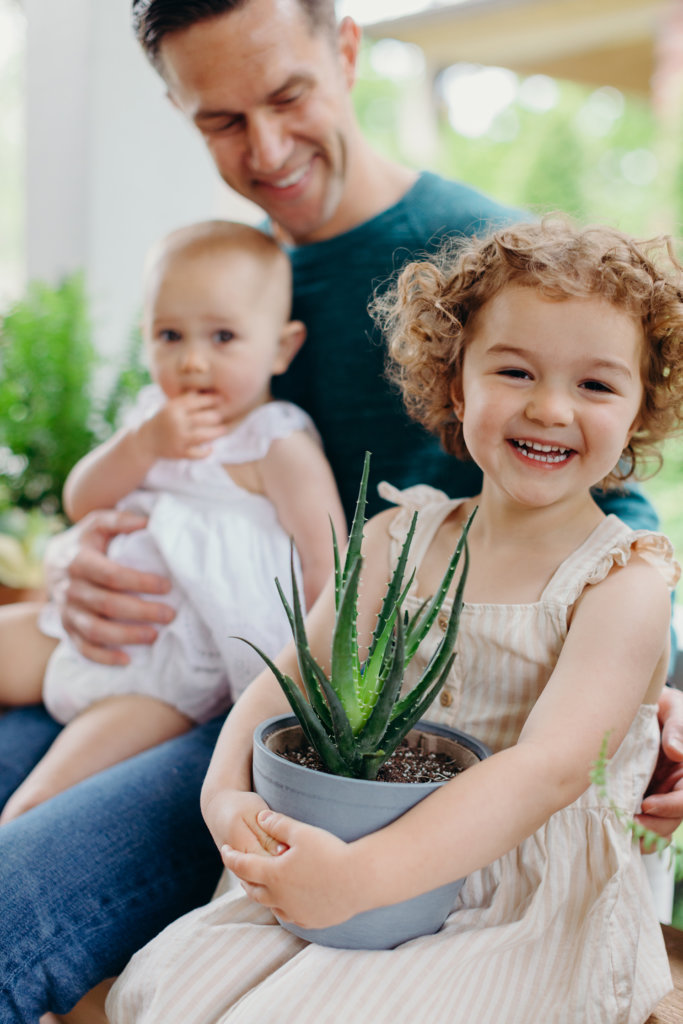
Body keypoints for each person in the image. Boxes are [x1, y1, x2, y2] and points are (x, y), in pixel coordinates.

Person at [1, 1, 682, 1018]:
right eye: (221, 120)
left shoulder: (496, 264)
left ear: (347, 50)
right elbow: (175, 469)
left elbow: (599, 525)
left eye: (287, 97)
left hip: (348, 737)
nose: (267, 148)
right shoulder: (227, 274)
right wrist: (80, 556)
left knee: (12, 910)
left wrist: (663, 684)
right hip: (195, 674)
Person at [107, 216, 683, 1024]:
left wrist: (361, 881)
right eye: (514, 371)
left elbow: (547, 770)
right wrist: (224, 798)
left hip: (520, 904)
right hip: (340, 854)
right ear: (457, 384)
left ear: (638, 409)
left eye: (595, 385)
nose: (550, 407)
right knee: (169, 987)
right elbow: (289, 679)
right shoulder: (391, 541)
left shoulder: (622, 583)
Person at [0, 219, 345, 826]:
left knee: (34, 807)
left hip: (167, 674)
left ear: (281, 348)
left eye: (223, 336)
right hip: (76, 629)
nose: (192, 361)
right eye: (169, 335)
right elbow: (81, 500)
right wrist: (140, 445)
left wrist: (318, 690)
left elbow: (330, 565)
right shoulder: (150, 419)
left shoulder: (275, 445)